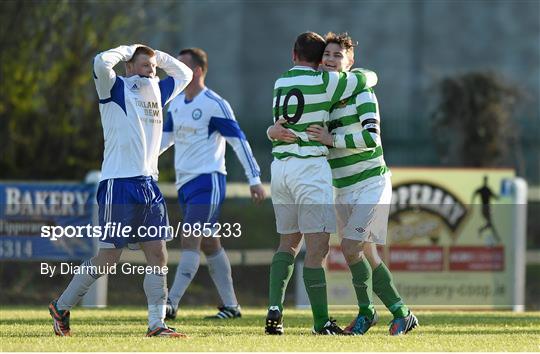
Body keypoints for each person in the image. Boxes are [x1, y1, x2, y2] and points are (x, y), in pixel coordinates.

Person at [48, 44, 193, 338]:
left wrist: (155, 55)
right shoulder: (114, 88)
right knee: (108, 258)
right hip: (119, 184)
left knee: (159, 254)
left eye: (152, 68)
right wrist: (129, 49)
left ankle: (157, 324)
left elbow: (186, 73)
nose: (150, 72)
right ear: (128, 66)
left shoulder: (158, 90)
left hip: (148, 186)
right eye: (143, 66)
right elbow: (101, 61)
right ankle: (61, 306)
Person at [266, 31, 378, 335]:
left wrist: (269, 132)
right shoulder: (325, 82)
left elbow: (279, 125)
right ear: (319, 61)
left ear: (293, 55)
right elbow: (368, 78)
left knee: (286, 243)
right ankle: (321, 322)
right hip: (308, 169)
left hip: (279, 168)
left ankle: (275, 309)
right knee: (317, 248)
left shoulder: (280, 82)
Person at [306, 32, 417, 335]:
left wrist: (332, 139)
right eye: (326, 55)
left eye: (337, 56)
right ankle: (400, 313)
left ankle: (370, 313)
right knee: (363, 252)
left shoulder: (362, 93)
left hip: (370, 182)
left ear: (350, 62)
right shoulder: (323, 99)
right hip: (342, 185)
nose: (330, 60)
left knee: (353, 247)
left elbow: (371, 138)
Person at [160, 48, 266, 321]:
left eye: (181, 67)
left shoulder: (215, 103)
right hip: (185, 183)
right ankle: (231, 306)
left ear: (196, 71)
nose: (176, 72)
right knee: (209, 243)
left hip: (208, 181)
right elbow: (164, 140)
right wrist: (142, 162)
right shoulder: (175, 103)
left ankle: (169, 304)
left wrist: (254, 178)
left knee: (189, 237)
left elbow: (238, 142)